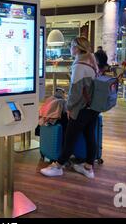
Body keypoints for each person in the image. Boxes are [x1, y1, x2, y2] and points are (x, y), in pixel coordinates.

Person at [41, 37, 99, 179]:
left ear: (78, 48)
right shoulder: (91, 60)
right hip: (93, 107)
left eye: (72, 46)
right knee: (90, 136)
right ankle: (88, 167)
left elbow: (75, 91)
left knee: (70, 137)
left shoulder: (79, 65)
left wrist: (68, 107)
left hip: (81, 109)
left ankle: (58, 166)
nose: (70, 48)